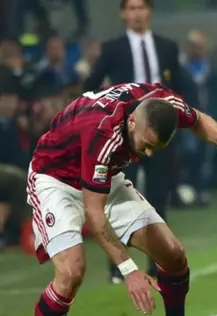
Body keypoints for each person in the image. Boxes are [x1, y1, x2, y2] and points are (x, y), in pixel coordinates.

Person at [24, 82, 217, 316]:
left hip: (104, 175)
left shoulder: (165, 103)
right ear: (131, 121)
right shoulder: (103, 132)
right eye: (147, 145)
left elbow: (198, 119)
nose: (148, 154)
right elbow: (94, 213)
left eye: (156, 148)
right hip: (55, 179)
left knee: (173, 254)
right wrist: (129, 270)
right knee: (70, 274)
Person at [83, 0, 199, 282]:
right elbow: (91, 84)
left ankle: (159, 264)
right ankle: (119, 268)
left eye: (142, 7)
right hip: (124, 138)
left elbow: (181, 88)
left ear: (150, 12)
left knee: (159, 199)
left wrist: (185, 119)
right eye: (131, 8)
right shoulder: (112, 49)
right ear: (123, 13)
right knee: (121, 202)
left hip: (158, 136)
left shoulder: (167, 47)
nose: (137, 13)